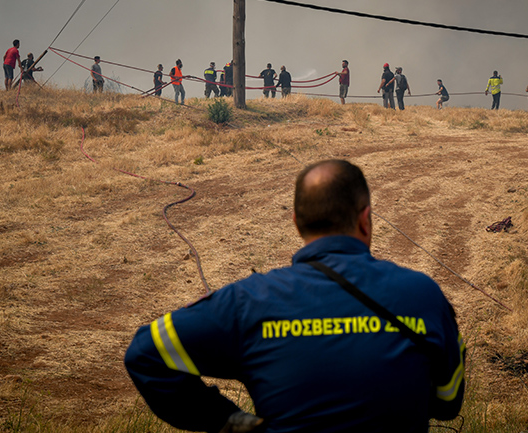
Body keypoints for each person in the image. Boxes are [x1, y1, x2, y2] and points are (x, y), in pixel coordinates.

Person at [124, 159, 466, 433]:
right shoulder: (423, 295)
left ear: (296, 222)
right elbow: (448, 402)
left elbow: (145, 353)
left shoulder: (248, 302)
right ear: (365, 220)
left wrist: (225, 421)